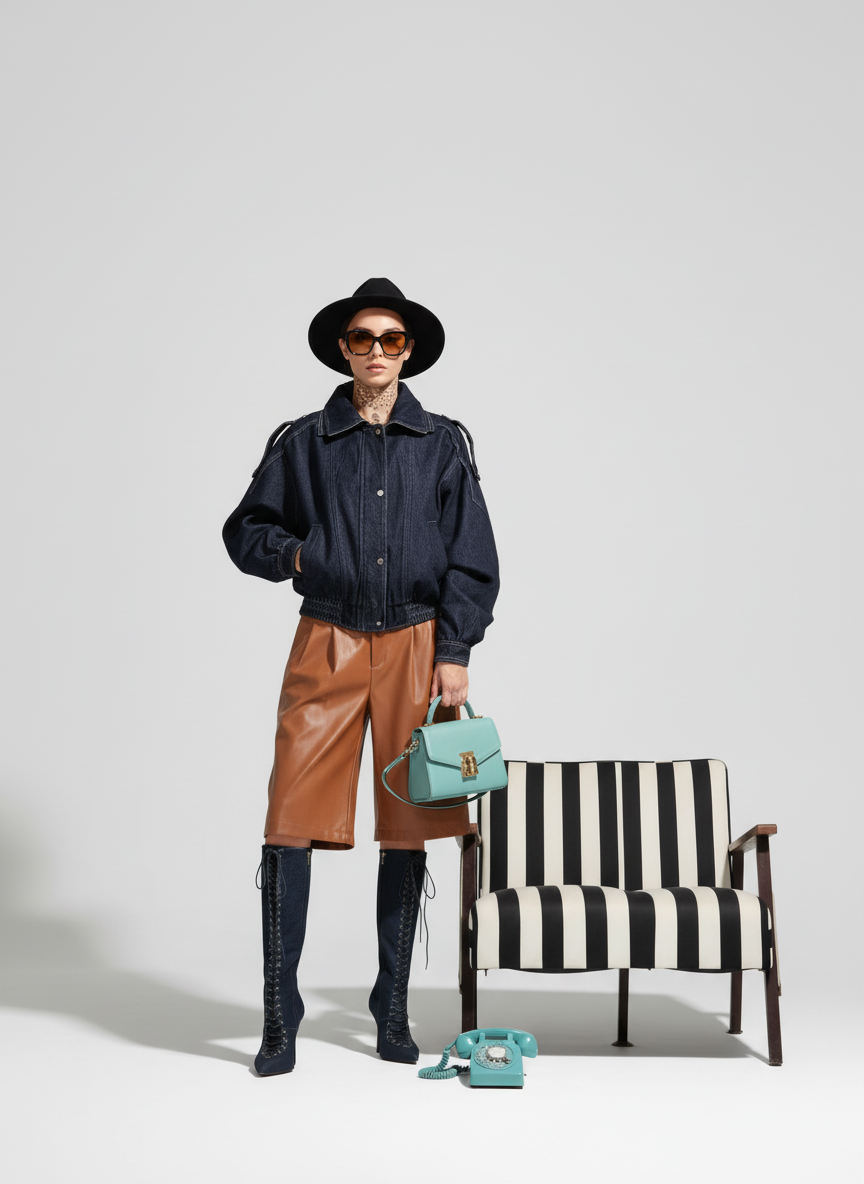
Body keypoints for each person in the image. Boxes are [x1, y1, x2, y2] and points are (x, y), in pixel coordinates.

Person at [222, 278, 500, 1074]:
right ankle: (280, 1015)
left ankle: (392, 1005)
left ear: (408, 352)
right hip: (327, 639)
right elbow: (245, 531)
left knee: (410, 823)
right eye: (362, 338)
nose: (377, 350)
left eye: (392, 339)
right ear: (343, 350)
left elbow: (472, 556)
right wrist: (299, 556)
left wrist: (455, 650)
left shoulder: (442, 444)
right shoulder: (304, 441)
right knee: (289, 820)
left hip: (417, 642)